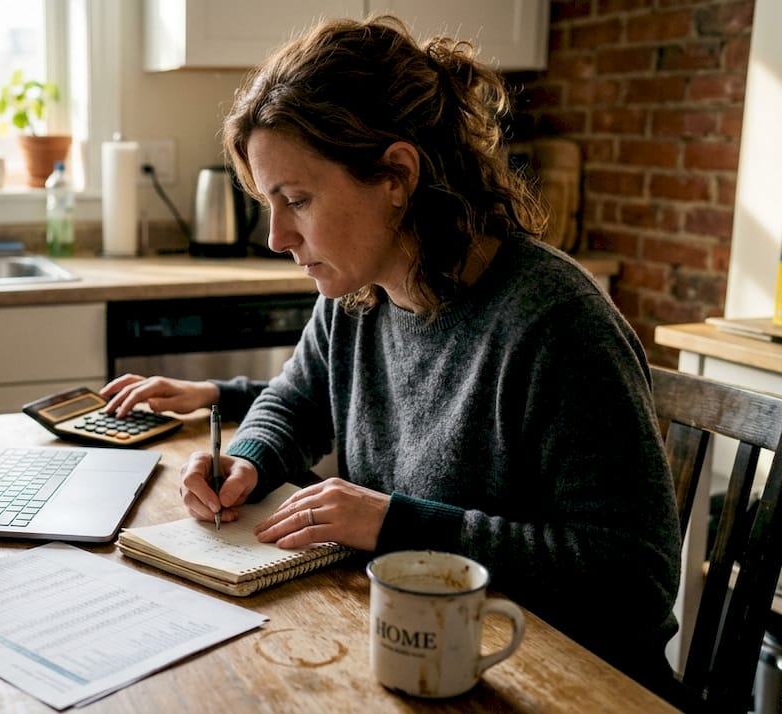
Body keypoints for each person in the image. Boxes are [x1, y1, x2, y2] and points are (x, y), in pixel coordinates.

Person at [105, 15, 683, 701]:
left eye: (296, 200)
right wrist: (251, 459)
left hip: (567, 685)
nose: (276, 236)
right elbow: (297, 400)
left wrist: (398, 525)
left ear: (397, 176)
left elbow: (633, 580)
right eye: (269, 203)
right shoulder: (360, 293)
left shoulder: (557, 324)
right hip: (431, 659)